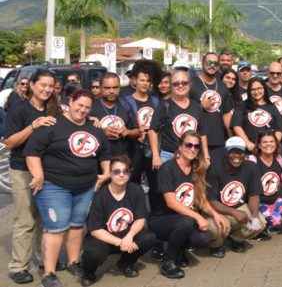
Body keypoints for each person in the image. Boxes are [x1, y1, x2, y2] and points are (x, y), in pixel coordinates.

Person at [25, 89, 112, 287]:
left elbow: (105, 154)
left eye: (87, 107)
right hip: (54, 186)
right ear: (70, 102)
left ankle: (73, 262)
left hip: (85, 186)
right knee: (56, 228)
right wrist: (38, 175)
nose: (82, 110)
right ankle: (48, 272)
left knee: (77, 225)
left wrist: (106, 173)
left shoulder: (95, 129)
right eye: (79, 105)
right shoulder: (52, 125)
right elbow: (32, 152)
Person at [148, 131, 230, 279]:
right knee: (187, 222)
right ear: (180, 147)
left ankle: (179, 251)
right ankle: (168, 262)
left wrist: (215, 215)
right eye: (189, 145)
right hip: (161, 219)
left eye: (197, 146)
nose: (193, 149)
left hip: (183, 220)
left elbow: (201, 200)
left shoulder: (196, 169)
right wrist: (198, 217)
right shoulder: (167, 168)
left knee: (204, 238)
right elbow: (171, 202)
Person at [4, 70, 58, 285]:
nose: (46, 89)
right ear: (32, 85)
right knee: (25, 220)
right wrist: (32, 126)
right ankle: (18, 266)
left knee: (43, 219)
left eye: (50, 86)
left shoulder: (53, 109)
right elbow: (9, 142)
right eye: (42, 85)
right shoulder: (19, 109)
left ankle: (43, 260)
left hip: (48, 171)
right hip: (22, 170)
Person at [78, 156, 158, 286]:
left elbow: (140, 219)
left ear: (129, 173)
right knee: (94, 253)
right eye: (116, 171)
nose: (121, 175)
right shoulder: (100, 195)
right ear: (110, 174)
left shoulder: (136, 190)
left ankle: (125, 263)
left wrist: (130, 236)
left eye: (125, 171)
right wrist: (120, 242)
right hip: (104, 239)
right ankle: (88, 272)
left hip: (126, 236)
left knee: (149, 237)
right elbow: (95, 230)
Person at [205, 137, 266, 256]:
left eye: (240, 152)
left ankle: (235, 239)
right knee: (214, 228)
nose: (236, 156)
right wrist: (234, 212)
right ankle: (216, 245)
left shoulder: (251, 167)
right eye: (232, 152)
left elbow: (254, 195)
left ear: (244, 153)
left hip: (239, 206)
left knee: (260, 223)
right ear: (226, 152)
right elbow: (212, 201)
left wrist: (253, 216)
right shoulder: (215, 168)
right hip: (217, 210)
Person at [148, 69, 210, 169]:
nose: (180, 86)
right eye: (176, 83)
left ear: (190, 84)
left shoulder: (197, 106)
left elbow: (202, 133)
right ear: (171, 86)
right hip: (169, 156)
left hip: (192, 155)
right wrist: (155, 156)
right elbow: (152, 131)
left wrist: (206, 156)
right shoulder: (164, 105)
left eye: (184, 83)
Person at [190, 53, 234, 157]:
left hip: (219, 141)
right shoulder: (191, 84)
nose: (212, 65)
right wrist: (201, 107)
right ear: (202, 63)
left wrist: (232, 138)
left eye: (215, 63)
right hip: (195, 141)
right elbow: (184, 110)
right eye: (209, 62)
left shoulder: (223, 86)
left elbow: (227, 116)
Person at [89, 73, 140, 158]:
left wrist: (127, 132)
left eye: (115, 87)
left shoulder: (127, 105)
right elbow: (80, 131)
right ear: (101, 88)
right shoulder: (91, 106)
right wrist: (102, 132)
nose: (111, 91)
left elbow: (138, 131)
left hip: (123, 158)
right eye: (107, 88)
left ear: (119, 88)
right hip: (98, 158)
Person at [232, 77, 282, 151]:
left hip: (268, 150)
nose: (256, 92)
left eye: (259, 88)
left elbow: (279, 129)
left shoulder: (272, 107)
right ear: (249, 91)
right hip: (249, 149)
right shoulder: (242, 105)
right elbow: (236, 126)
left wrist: (273, 145)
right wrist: (248, 143)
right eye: (253, 89)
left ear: (264, 89)